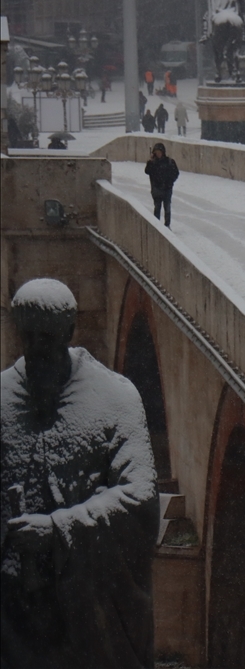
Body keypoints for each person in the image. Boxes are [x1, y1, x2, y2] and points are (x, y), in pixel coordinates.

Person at [1, 278, 159, 668]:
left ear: (69, 333)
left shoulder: (114, 398)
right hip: (14, 613)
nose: (38, 349)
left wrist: (58, 529)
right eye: (29, 337)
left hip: (88, 612)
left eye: (47, 338)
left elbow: (139, 496)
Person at [145, 143, 179, 228]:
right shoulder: (153, 163)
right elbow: (147, 171)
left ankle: (167, 225)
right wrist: (150, 161)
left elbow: (175, 173)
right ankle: (157, 226)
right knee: (157, 208)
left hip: (167, 189)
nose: (158, 154)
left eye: (160, 152)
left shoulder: (169, 162)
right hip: (157, 189)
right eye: (156, 152)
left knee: (167, 208)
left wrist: (170, 182)